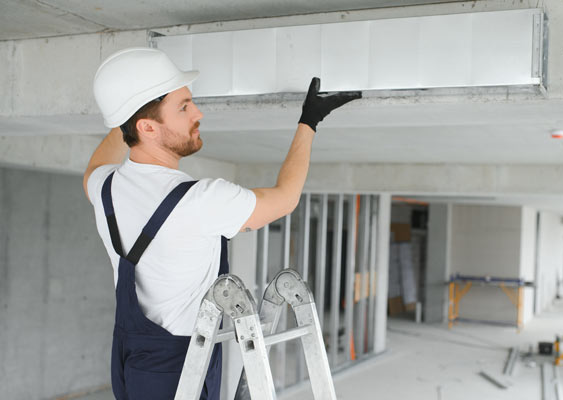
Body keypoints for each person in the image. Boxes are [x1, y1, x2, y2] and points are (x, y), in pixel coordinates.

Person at [84, 47, 361, 400]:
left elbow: (95, 167)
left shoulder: (105, 187)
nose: (197, 113)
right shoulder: (203, 200)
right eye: (183, 107)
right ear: (148, 127)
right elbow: (286, 198)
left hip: (130, 363)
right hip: (179, 371)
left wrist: (123, 115)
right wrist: (310, 121)